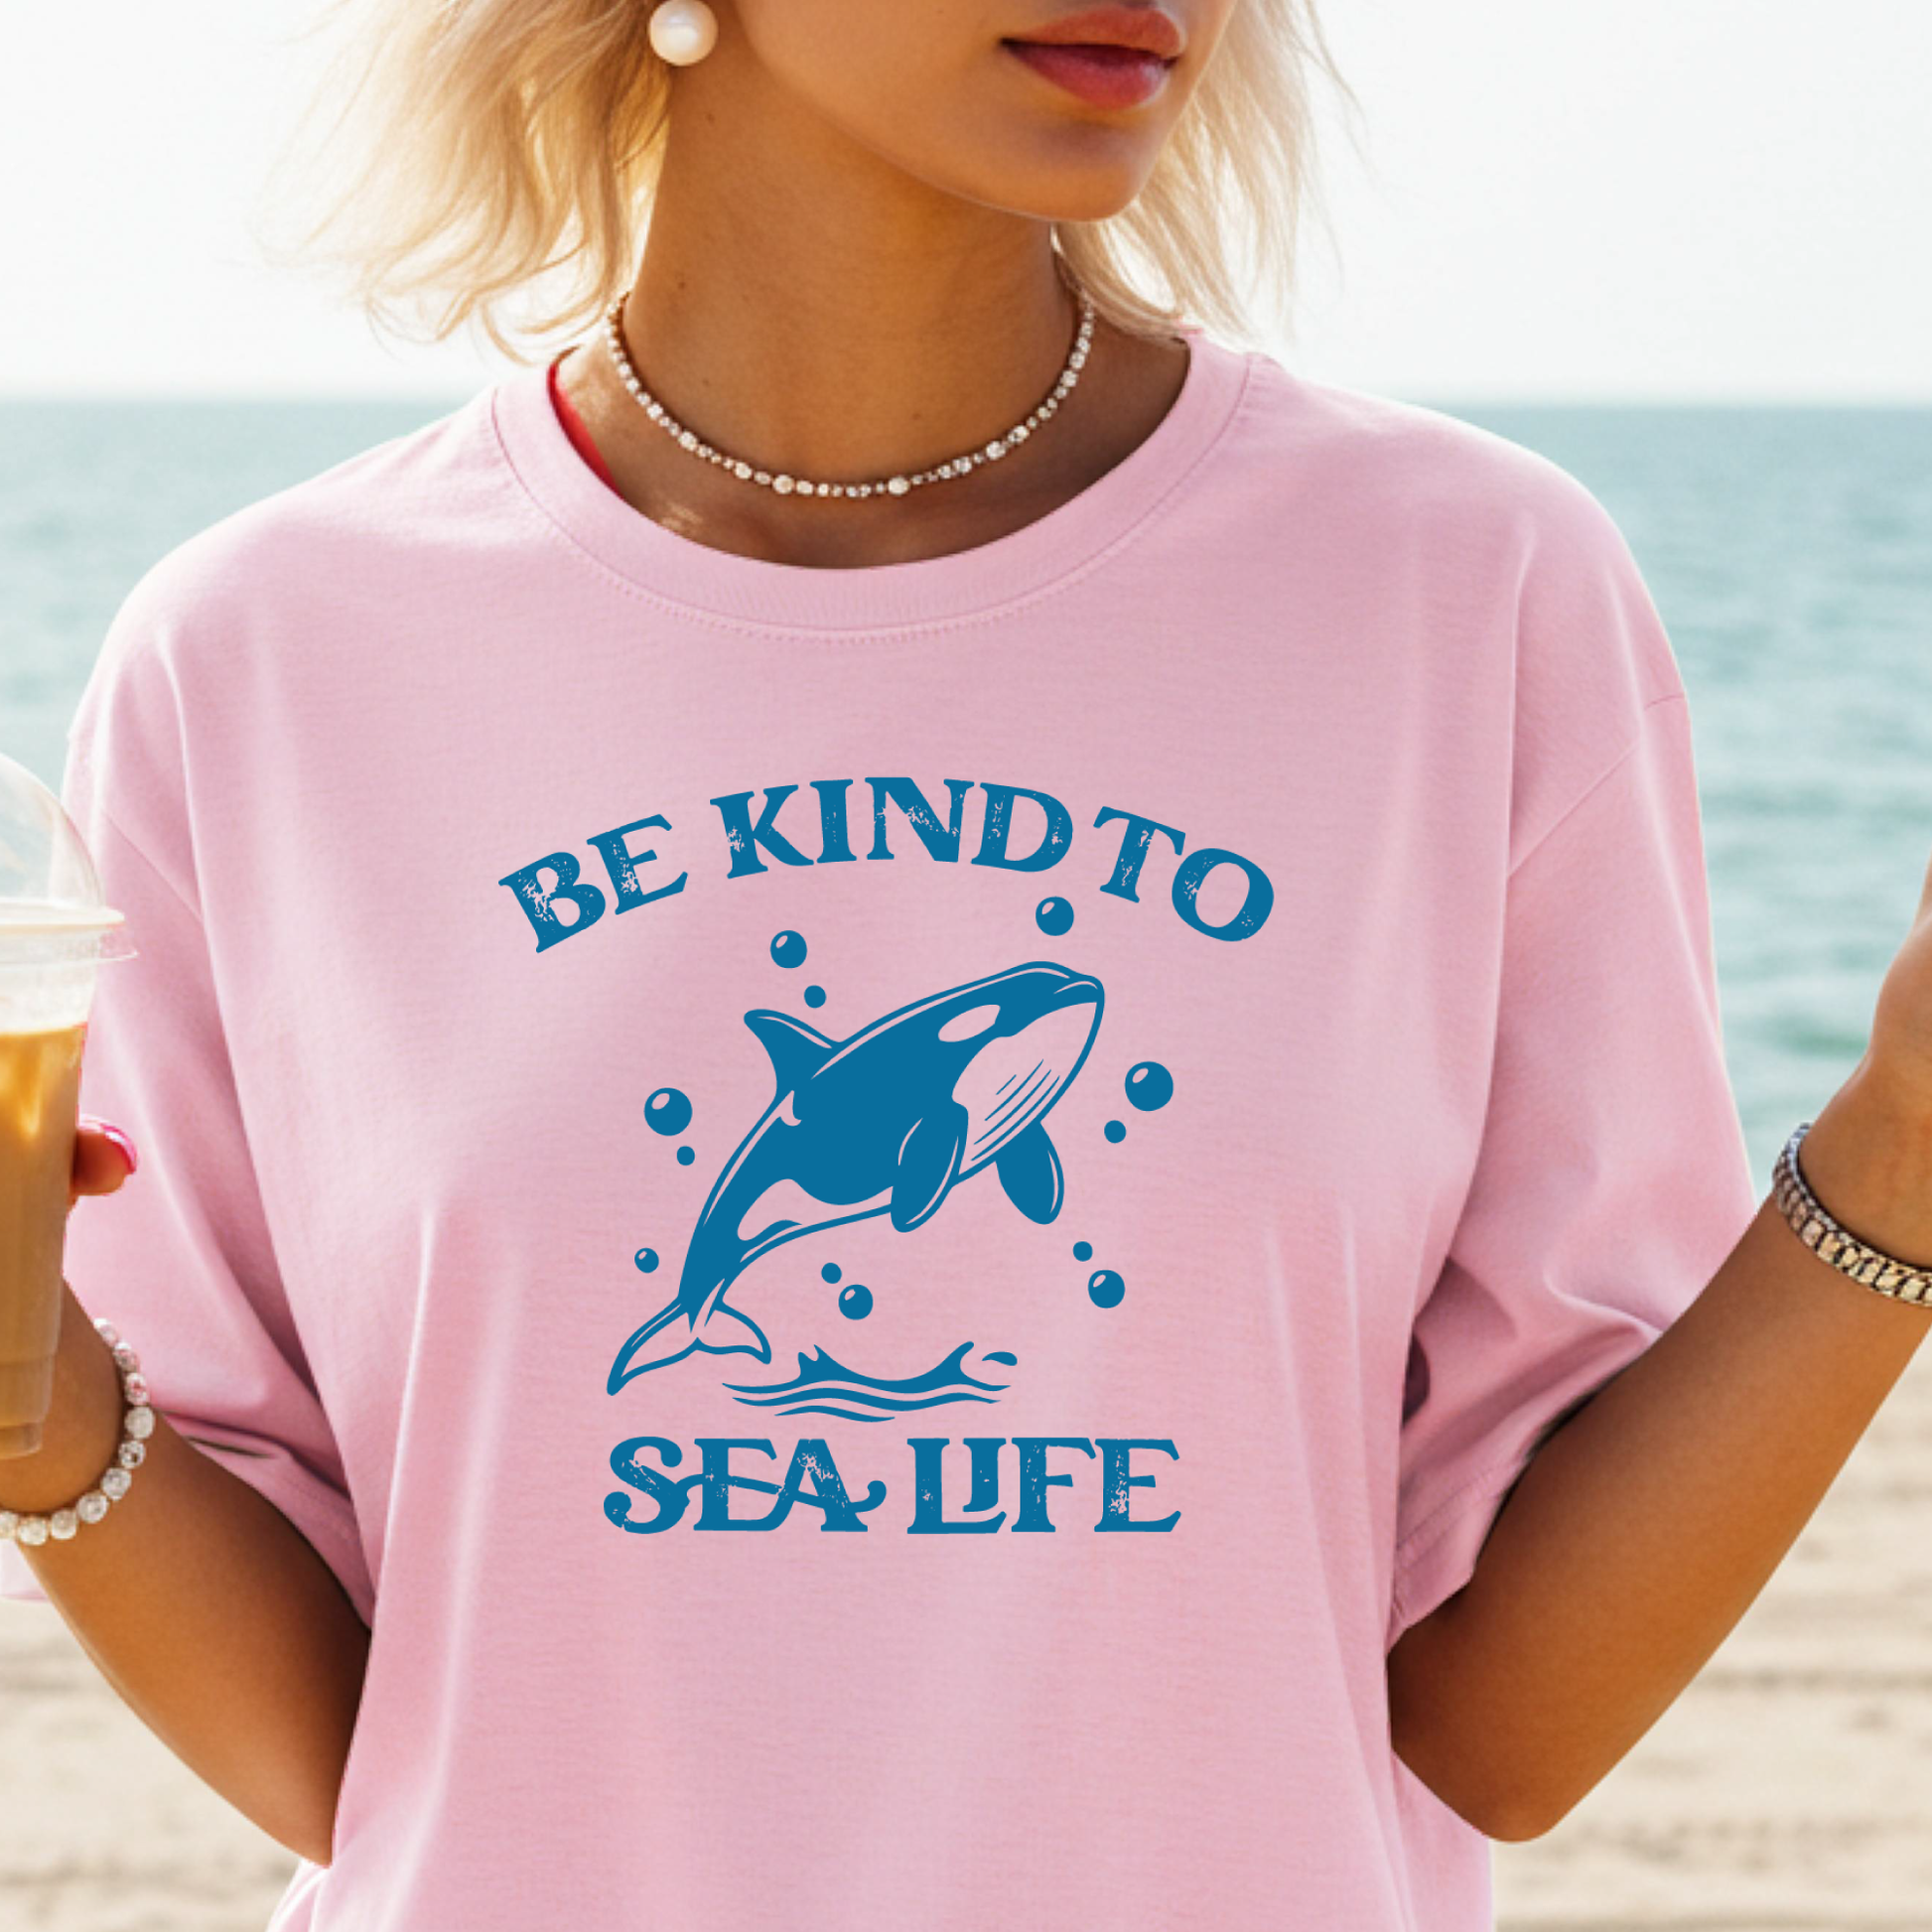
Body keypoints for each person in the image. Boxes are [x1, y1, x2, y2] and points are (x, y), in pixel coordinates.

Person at [5, 1, 1932, 1926]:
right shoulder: (263, 655)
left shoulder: (1469, 588)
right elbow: (350, 1753)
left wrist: (1906, 1134)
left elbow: (1509, 1732)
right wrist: (29, 1384)